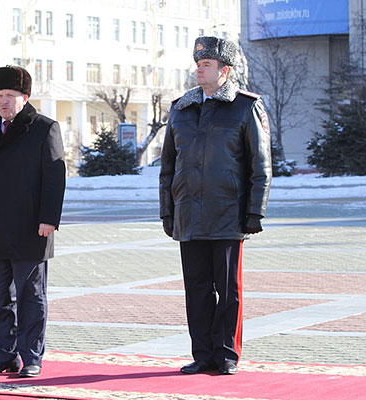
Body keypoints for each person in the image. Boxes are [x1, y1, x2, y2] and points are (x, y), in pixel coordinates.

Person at [159, 36, 272, 375]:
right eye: (197, 64)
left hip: (228, 215)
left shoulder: (245, 106)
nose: (199, 69)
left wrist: (255, 211)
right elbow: (167, 167)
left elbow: (261, 164)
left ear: (224, 71)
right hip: (189, 216)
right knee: (196, 290)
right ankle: (203, 353)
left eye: (206, 65)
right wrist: (168, 210)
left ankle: (226, 354)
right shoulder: (181, 108)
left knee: (227, 290)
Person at [0, 65, 66, 378]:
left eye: (10, 95)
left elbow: (55, 177)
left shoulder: (44, 128)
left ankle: (31, 356)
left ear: (25, 97)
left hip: (31, 228)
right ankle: (4, 355)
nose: (4, 102)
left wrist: (49, 219)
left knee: (31, 296)